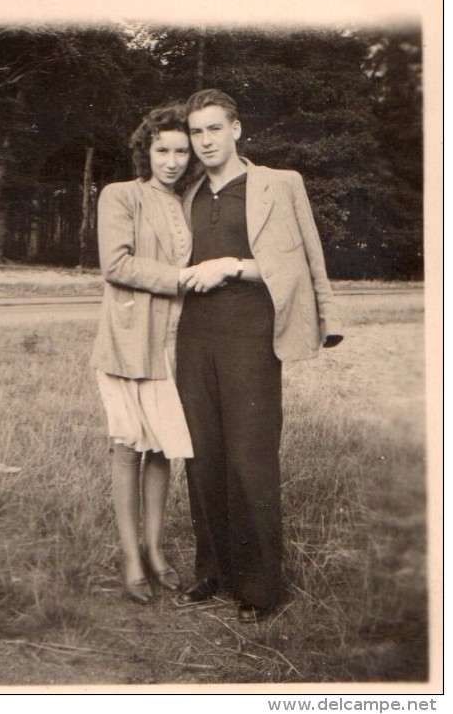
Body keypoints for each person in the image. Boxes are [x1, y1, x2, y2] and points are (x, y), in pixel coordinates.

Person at [175, 89, 343, 621]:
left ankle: (258, 588)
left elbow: (306, 257)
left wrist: (233, 265)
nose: (204, 141)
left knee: (250, 459)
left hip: (253, 335)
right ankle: (212, 572)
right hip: (194, 336)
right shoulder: (187, 192)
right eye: (196, 131)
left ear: (236, 129)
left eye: (213, 129)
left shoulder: (280, 183)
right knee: (201, 454)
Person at [90, 103, 198, 604]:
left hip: (173, 342)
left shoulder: (189, 201)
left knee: (163, 447)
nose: (173, 160)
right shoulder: (122, 195)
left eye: (181, 150)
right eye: (163, 150)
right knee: (130, 445)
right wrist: (179, 278)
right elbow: (116, 264)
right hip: (130, 340)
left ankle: (155, 550)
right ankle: (131, 557)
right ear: (145, 151)